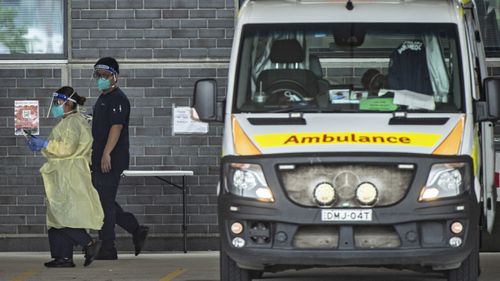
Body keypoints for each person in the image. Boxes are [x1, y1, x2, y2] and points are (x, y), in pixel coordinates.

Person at [26, 86, 103, 268]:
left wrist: (45, 143)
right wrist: (43, 146)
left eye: (58, 102)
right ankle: (63, 257)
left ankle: (89, 244)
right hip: (63, 172)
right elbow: (61, 147)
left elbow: (66, 149)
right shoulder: (68, 121)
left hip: (70, 174)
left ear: (68, 103)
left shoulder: (74, 122)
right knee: (56, 214)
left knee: (62, 215)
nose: (55, 106)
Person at [91, 57, 149, 260]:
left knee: (104, 204)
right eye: (98, 75)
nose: (101, 79)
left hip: (111, 158)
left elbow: (117, 127)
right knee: (103, 201)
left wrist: (107, 153)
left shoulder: (118, 98)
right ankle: (135, 228)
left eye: (105, 76)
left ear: (115, 77)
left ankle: (108, 248)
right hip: (100, 157)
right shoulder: (103, 98)